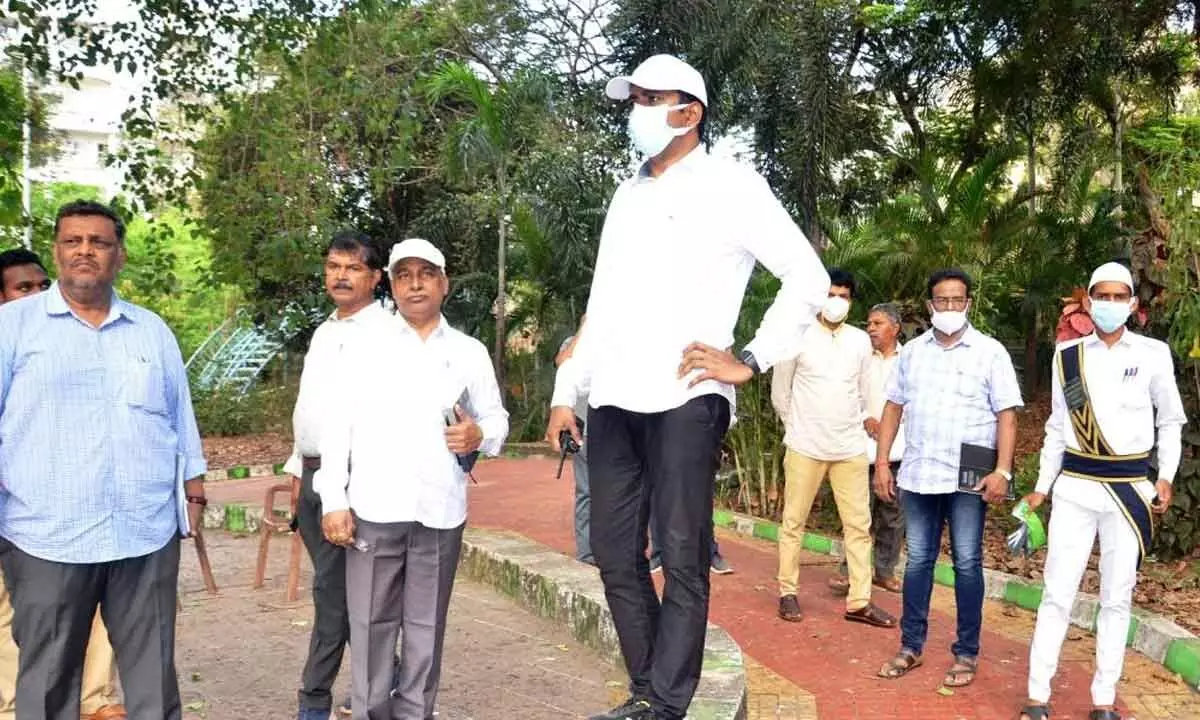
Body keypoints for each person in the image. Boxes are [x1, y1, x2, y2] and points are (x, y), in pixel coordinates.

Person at [545, 54, 830, 720]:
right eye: (633, 98)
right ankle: (649, 688)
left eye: (649, 98)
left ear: (689, 112)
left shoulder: (732, 185)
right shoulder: (627, 194)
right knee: (614, 551)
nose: (636, 111)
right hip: (614, 393)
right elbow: (601, 303)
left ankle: (665, 703)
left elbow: (806, 276)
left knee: (681, 551)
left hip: (687, 395)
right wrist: (567, 390)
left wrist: (750, 359)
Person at [0, 201, 207, 720]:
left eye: (99, 242)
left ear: (119, 256)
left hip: (143, 533)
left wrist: (195, 493)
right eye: (74, 241)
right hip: (46, 535)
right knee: (47, 682)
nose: (86, 251)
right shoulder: (13, 327)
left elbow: (181, 419)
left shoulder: (150, 330)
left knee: (153, 681)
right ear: (57, 251)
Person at [316, 238, 509, 720]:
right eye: (404, 275)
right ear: (393, 285)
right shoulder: (362, 344)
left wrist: (478, 433)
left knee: (426, 628)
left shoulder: (469, 351)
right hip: (374, 509)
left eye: (426, 273)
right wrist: (332, 500)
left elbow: (497, 419)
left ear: (444, 284)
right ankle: (369, 713)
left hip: (440, 511)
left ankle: (415, 713)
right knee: (370, 624)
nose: (415, 283)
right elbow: (336, 426)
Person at [1019, 263, 1186, 720]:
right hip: (1075, 487)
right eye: (1101, 295)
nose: (1110, 304)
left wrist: (1166, 475)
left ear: (1132, 304)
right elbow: (1057, 427)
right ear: (1088, 301)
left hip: (1130, 488)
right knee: (1057, 591)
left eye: (1119, 296)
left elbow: (1170, 421)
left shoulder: (1153, 354)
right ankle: (1037, 695)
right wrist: (1041, 487)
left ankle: (1103, 701)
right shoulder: (1067, 356)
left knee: (1117, 595)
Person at [874, 268, 1022, 689]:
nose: (951, 308)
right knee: (918, 560)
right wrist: (883, 463)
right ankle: (911, 645)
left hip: (969, 474)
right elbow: (892, 408)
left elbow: (1006, 415)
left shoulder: (990, 352)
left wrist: (1003, 470)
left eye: (958, 301)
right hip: (919, 472)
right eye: (943, 301)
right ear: (929, 306)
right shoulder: (913, 353)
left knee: (968, 562)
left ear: (969, 304)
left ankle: (966, 652)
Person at [0, 249, 126, 720]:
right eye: (20, 288)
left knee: (88, 607)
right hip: (14, 507)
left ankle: (93, 699)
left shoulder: (65, 341)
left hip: (66, 509)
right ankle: (13, 706)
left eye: (38, 286)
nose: (32, 295)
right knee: (12, 613)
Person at [282, 230, 396, 720]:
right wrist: (295, 471)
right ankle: (385, 682)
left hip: (351, 482)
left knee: (334, 594)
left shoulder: (388, 334)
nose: (340, 276)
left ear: (375, 277)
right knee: (347, 594)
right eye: (333, 266)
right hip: (310, 476)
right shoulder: (325, 331)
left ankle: (314, 700)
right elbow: (309, 410)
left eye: (352, 268)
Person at [771, 269, 894, 628]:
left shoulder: (859, 341)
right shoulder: (797, 335)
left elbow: (867, 390)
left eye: (843, 295)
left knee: (858, 525)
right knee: (794, 522)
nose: (836, 301)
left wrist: (869, 422)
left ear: (850, 301)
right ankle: (787, 592)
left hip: (849, 446)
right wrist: (796, 429)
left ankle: (860, 601)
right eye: (831, 294)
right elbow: (781, 393)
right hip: (804, 444)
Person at [829, 302, 907, 595]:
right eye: (869, 324)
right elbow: (849, 393)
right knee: (858, 513)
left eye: (877, 323)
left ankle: (884, 571)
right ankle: (849, 572)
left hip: (899, 447)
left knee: (893, 514)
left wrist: (890, 423)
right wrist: (866, 417)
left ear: (895, 328)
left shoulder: (909, 359)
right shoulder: (860, 356)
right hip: (859, 444)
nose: (870, 328)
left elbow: (914, 400)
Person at [556, 320, 595, 566]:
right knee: (587, 492)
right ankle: (587, 554)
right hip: (586, 431)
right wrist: (583, 330)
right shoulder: (574, 343)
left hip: (621, 429)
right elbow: (562, 362)